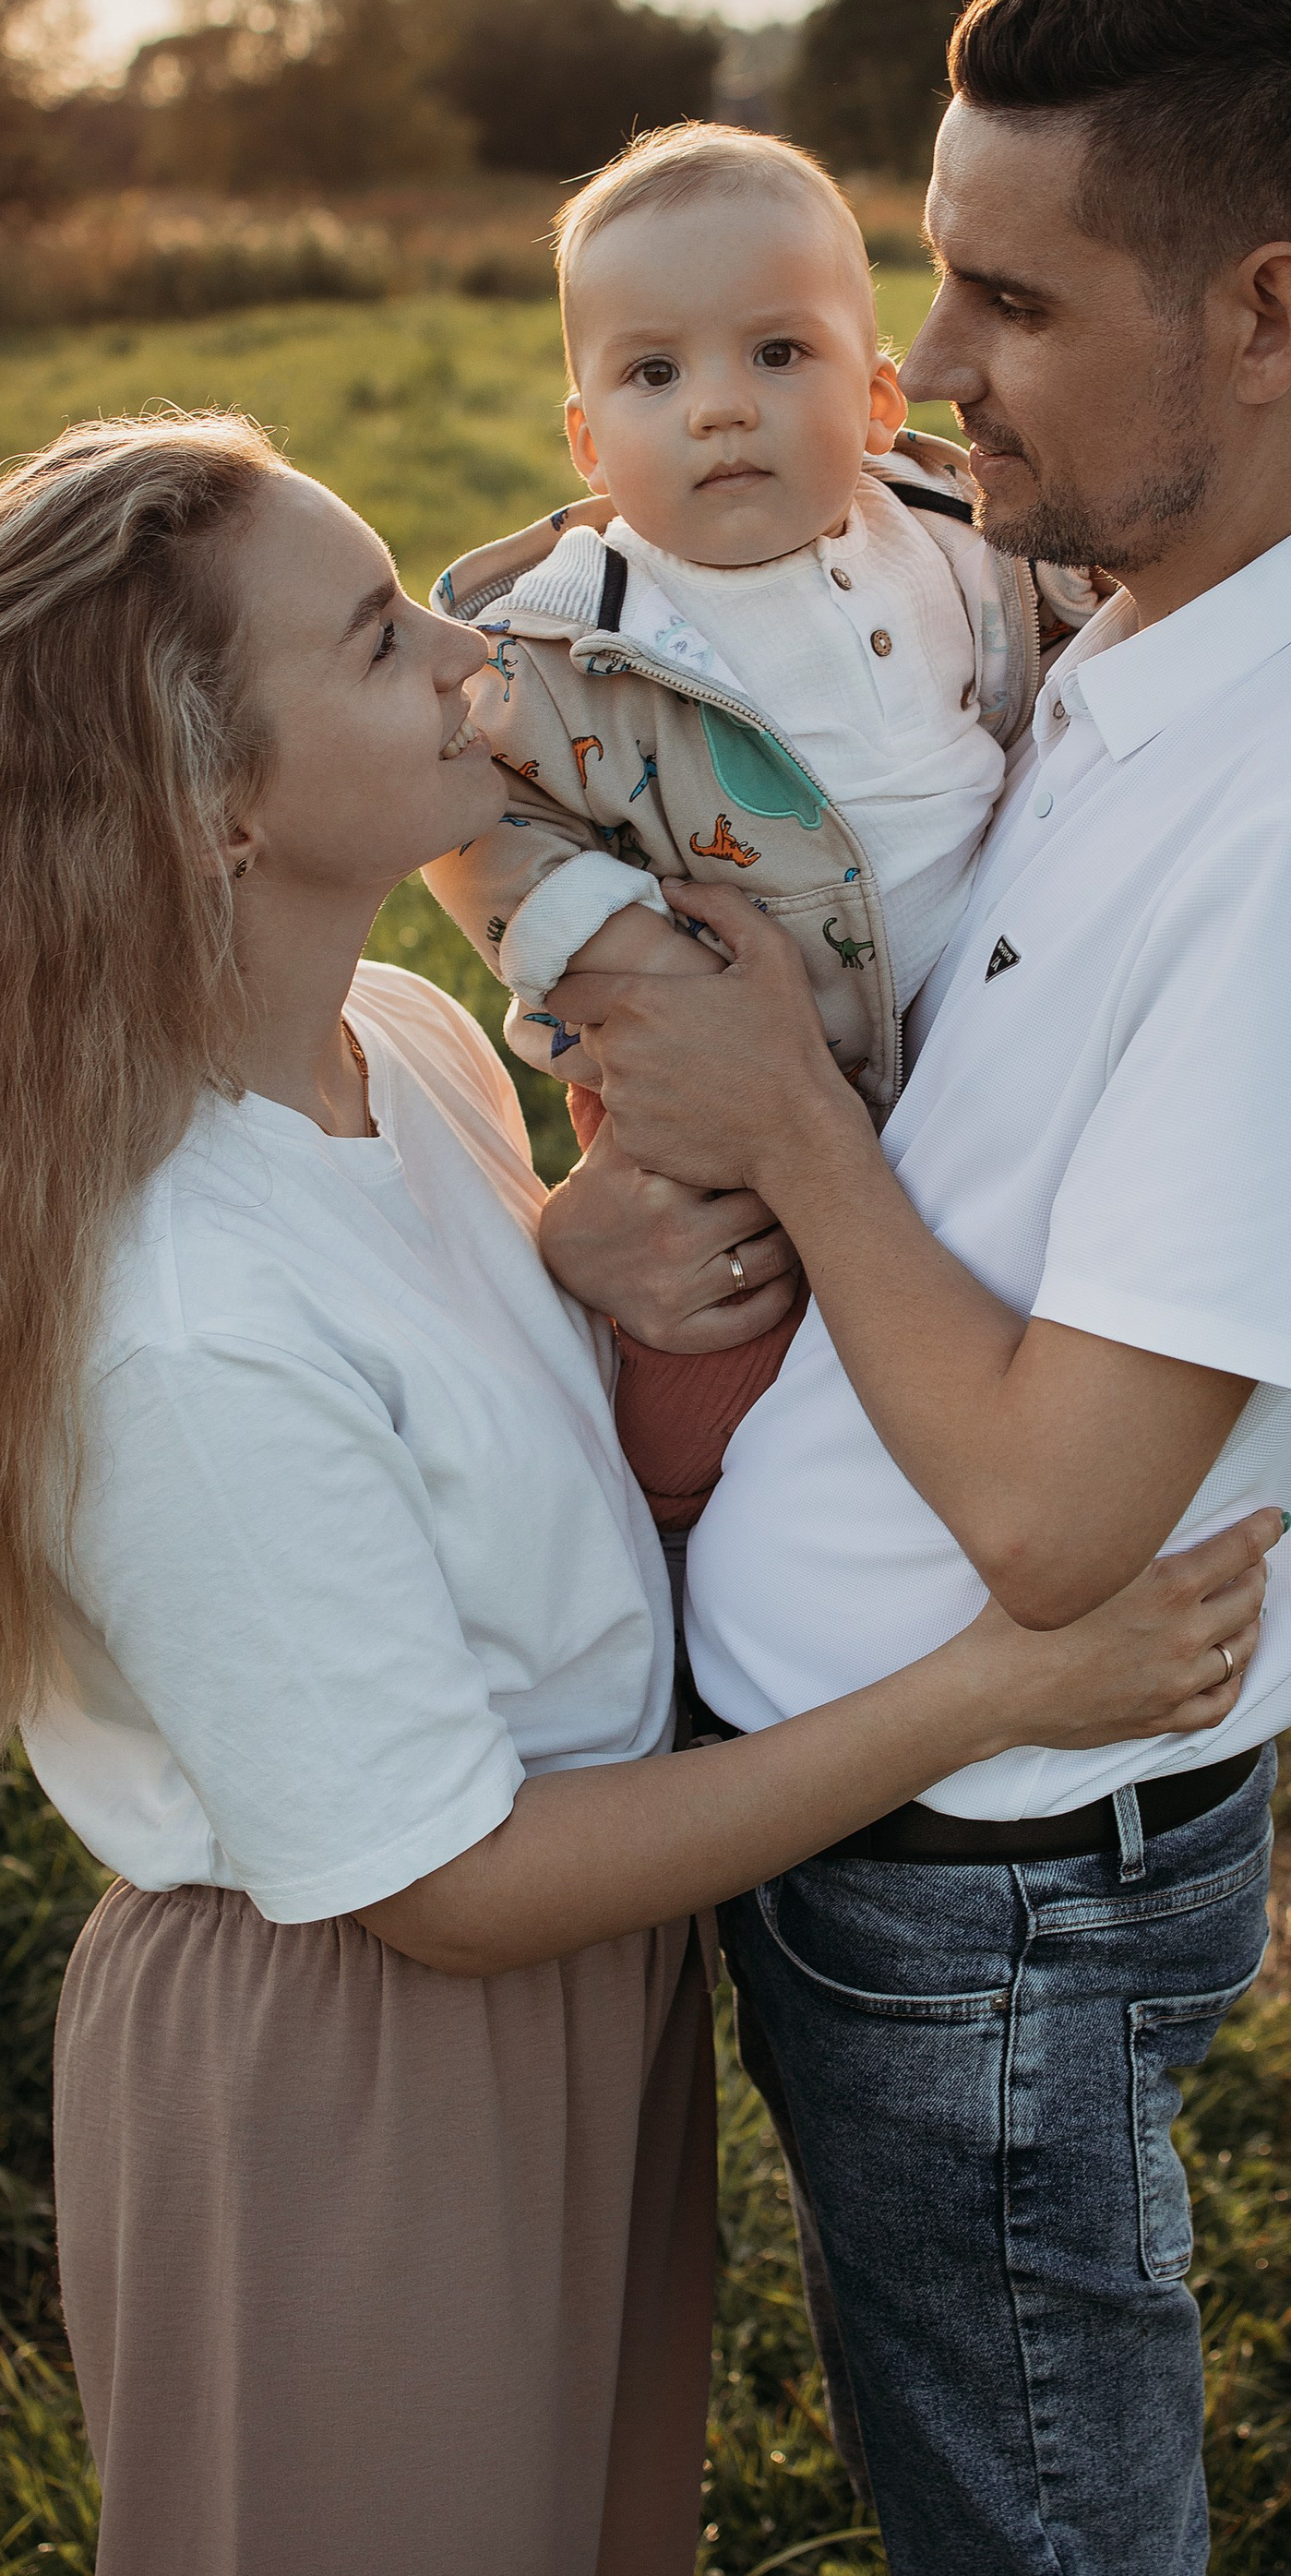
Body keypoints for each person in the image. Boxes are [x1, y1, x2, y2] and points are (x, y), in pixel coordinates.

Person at [0, 406, 1284, 2576]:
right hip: (357, 2067)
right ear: (218, 801)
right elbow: (444, 1883)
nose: (473, 655)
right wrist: (996, 1686)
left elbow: (433, 1414)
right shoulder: (171, 1313)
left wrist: (558, 1269)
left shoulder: (392, 1039)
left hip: (576, 1999)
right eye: (379, 643)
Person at [542, 0, 1291, 2576]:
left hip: (993, 1898)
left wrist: (766, 1128)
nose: (924, 366)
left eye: (1007, 296)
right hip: (897, 1841)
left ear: (1262, 313)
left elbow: (1068, 1526)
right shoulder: (1142, 637)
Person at [424, 118, 1098, 1590]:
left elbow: (1084, 629)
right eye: (657, 375)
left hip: (968, 1051)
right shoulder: (566, 633)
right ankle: (665, 1562)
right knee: (706, 1358)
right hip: (715, 1101)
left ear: (873, 400)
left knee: (961, 1333)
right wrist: (624, 956)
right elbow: (470, 817)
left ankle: (920, 1549)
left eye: (777, 357)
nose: (721, 410)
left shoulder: (956, 540)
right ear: (592, 441)